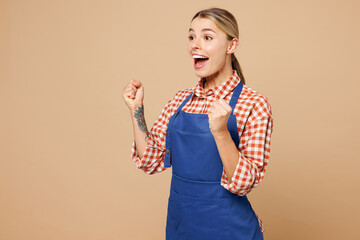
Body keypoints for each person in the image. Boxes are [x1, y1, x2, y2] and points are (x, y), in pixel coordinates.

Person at [122, 7, 274, 240]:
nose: (195, 44)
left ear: (231, 46)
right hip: (182, 229)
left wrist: (221, 132)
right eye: (191, 36)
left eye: (207, 37)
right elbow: (150, 161)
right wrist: (136, 111)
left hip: (230, 230)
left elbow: (243, 184)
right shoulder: (180, 102)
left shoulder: (253, 104)